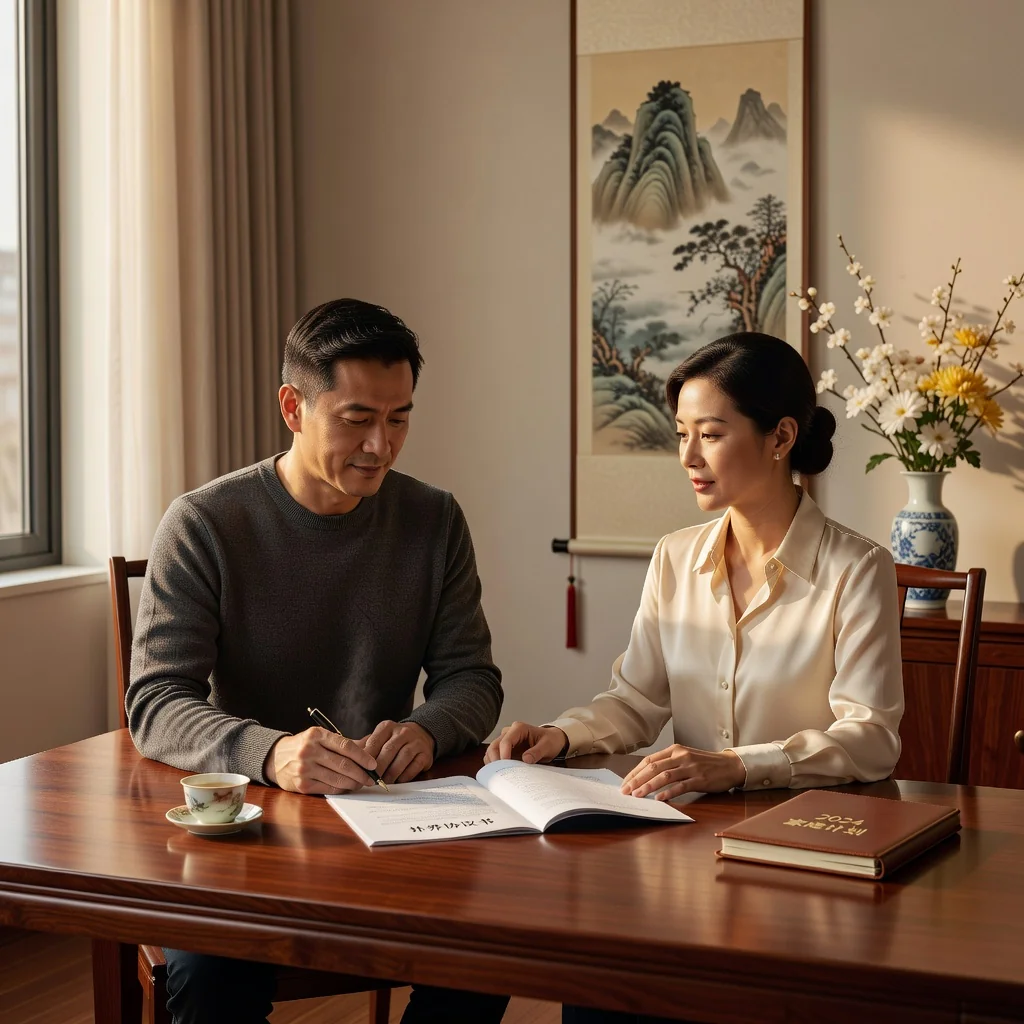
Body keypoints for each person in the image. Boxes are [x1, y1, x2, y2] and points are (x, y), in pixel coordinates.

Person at [486, 332, 904, 1024]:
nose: (686, 457)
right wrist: (560, 737)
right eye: (681, 433)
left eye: (709, 434)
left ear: (780, 438)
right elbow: (636, 701)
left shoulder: (858, 569)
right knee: (596, 983)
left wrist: (735, 765)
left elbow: (870, 738)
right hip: (682, 854)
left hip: (804, 861)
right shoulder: (674, 558)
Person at [127, 298, 509, 1024]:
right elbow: (155, 701)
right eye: (357, 418)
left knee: (493, 950)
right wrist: (271, 753)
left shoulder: (433, 519)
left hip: (390, 822)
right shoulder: (206, 522)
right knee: (211, 981)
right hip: (249, 829)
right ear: (293, 408)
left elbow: (472, 678)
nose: (382, 445)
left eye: (399, 418)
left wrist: (428, 727)